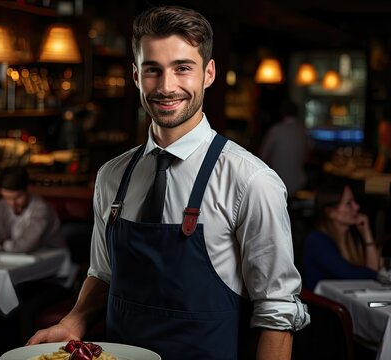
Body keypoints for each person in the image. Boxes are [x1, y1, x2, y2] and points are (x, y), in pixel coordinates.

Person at [28, 6, 308, 359]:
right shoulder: (111, 176)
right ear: (135, 75)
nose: (166, 86)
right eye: (152, 70)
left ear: (208, 73)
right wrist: (74, 322)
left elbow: (276, 313)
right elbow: (103, 274)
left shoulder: (251, 181)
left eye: (182, 68)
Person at [302, 183, 380, 291]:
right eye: (349, 203)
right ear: (331, 212)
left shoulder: (352, 237)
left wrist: (367, 235)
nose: (357, 207)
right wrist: (376, 275)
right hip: (323, 307)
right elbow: (357, 276)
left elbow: (370, 276)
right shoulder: (317, 240)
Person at [0, 166, 65, 253]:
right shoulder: (1, 205)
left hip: (53, 256)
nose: (13, 204)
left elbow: (26, 245)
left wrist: (0, 245)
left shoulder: (41, 208)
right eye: (7, 198)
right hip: (18, 256)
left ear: (28, 190)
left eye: (18, 197)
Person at [259, 99, 309, 196]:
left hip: (277, 183)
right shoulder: (303, 131)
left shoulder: (276, 130)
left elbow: (262, 157)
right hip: (298, 183)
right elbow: (306, 157)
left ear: (282, 112)